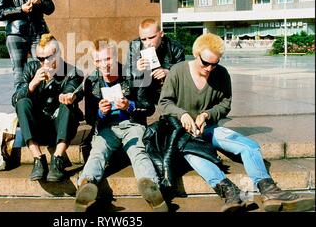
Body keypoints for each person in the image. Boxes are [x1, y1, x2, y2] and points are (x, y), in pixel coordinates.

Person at [158, 33, 315, 212]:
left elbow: (225, 104)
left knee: (249, 146)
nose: (209, 69)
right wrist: (182, 114)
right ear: (196, 54)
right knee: (195, 157)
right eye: (205, 63)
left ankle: (270, 191)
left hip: (208, 127)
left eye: (214, 64)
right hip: (183, 134)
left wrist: (207, 115)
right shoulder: (178, 71)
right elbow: (164, 103)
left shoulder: (222, 74)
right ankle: (232, 194)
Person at [74, 38, 168, 212]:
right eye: (99, 61)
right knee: (98, 150)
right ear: (94, 62)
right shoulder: (91, 81)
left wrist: (130, 106)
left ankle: (152, 189)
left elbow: (148, 107)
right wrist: (101, 113)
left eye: (108, 59)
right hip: (107, 128)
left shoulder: (133, 74)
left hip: (132, 125)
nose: (104, 65)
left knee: (138, 151)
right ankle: (85, 185)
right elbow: (89, 118)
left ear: (115, 56)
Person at [12, 33, 84, 182]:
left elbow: (72, 88)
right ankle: (38, 158)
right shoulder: (31, 68)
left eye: (48, 57)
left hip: (60, 128)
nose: (43, 62)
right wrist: (32, 84)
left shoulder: (71, 71)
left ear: (58, 54)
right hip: (37, 128)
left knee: (67, 104)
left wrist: (69, 95)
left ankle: (57, 159)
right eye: (39, 58)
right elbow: (15, 99)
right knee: (22, 102)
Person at [126, 19, 185, 103]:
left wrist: (169, 72)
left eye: (151, 37)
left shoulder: (175, 47)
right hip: (143, 94)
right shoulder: (134, 46)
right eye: (143, 39)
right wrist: (136, 69)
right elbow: (127, 76)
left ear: (161, 34)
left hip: (168, 93)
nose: (148, 43)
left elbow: (183, 74)